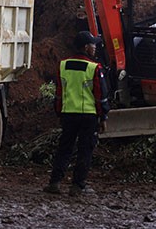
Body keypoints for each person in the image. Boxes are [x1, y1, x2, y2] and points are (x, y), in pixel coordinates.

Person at [44, 31, 110, 196]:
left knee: (64, 148)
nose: (95, 48)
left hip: (68, 114)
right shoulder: (94, 68)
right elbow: (100, 95)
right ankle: (77, 186)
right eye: (93, 45)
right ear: (86, 47)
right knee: (85, 150)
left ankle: (54, 182)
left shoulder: (63, 65)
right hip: (88, 116)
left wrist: (59, 112)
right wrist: (103, 117)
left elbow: (59, 93)